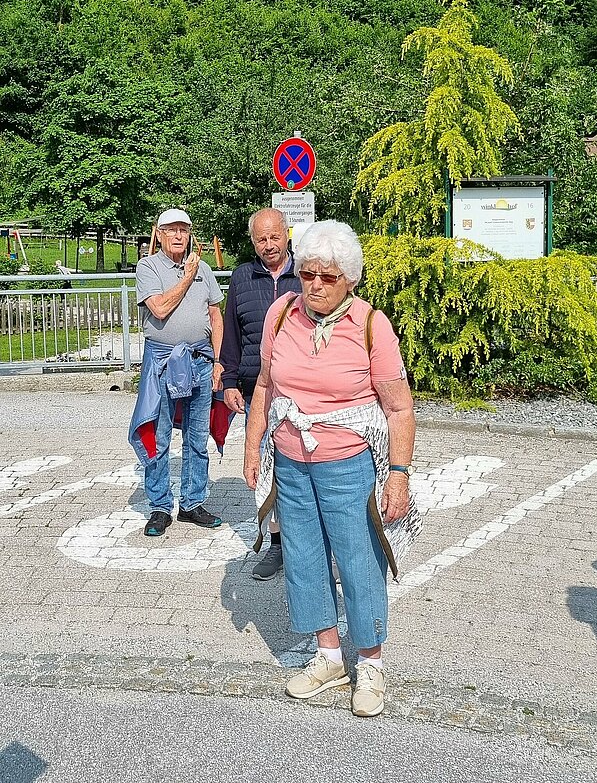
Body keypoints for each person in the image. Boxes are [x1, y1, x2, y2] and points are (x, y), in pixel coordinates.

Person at [243, 220, 421, 718]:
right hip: (291, 463)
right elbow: (264, 385)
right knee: (303, 557)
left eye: (327, 277)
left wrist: (399, 474)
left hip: (349, 465)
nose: (315, 285)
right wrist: (253, 448)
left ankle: (371, 663)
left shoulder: (371, 325)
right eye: (308, 274)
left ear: (350, 279)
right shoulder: (281, 313)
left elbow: (399, 408)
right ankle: (328, 657)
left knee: (359, 561)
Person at [129, 208, 225, 537]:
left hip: (200, 359)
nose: (178, 235)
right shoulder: (148, 267)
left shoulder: (204, 269)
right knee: (159, 436)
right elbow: (159, 308)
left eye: (183, 229)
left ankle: (192, 502)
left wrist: (218, 360)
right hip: (162, 360)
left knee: (197, 438)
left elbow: (215, 315)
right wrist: (187, 275)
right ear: (159, 234)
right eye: (171, 230)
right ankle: (159, 506)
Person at [220, 207, 301, 579]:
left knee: (302, 468)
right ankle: (277, 544)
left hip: (301, 392)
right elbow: (232, 335)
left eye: (274, 237)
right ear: (253, 242)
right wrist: (229, 381)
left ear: (286, 235)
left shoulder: (306, 274)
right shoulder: (242, 277)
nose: (269, 245)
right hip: (258, 393)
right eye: (261, 239)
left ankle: (312, 543)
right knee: (267, 469)